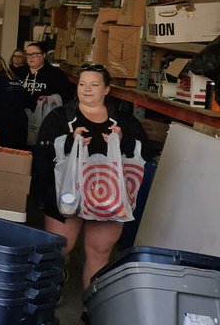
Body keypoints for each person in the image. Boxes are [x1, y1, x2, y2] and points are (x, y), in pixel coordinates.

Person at [33, 64, 150, 295]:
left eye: (94, 85)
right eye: (82, 84)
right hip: (65, 196)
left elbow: (143, 153)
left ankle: (91, 309)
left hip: (107, 198)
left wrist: (122, 140)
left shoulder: (124, 122)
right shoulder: (61, 116)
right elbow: (42, 150)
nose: (87, 90)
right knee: (60, 249)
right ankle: (49, 295)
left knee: (99, 251)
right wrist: (69, 141)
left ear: (106, 89)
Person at [19, 41, 73, 109]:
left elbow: (67, 96)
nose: (30, 57)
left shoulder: (57, 74)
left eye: (34, 54)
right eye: (28, 54)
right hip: (20, 112)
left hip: (44, 114)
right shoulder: (20, 72)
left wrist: (50, 99)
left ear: (44, 55)